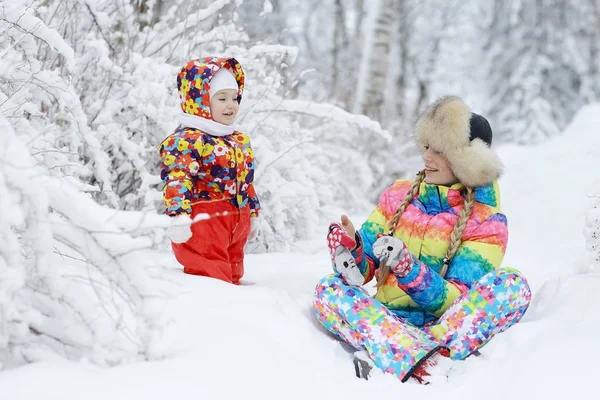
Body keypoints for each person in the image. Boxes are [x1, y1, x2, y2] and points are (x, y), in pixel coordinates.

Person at [314, 95, 531, 384]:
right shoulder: (398, 195)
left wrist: (408, 268)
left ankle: (405, 351)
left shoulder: (486, 221)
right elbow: (363, 271)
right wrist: (351, 248)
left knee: (512, 287)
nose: (426, 157)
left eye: (438, 150)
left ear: (465, 159)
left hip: (445, 326)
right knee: (328, 289)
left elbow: (455, 302)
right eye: (426, 146)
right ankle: (418, 353)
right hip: (387, 319)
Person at [158, 57, 260, 285]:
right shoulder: (188, 140)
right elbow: (178, 178)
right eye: (221, 98)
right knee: (212, 282)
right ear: (200, 102)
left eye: (234, 98)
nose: (230, 105)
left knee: (233, 277)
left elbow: (246, 181)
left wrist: (252, 212)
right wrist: (179, 215)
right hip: (205, 224)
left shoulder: (238, 140)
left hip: (235, 222)